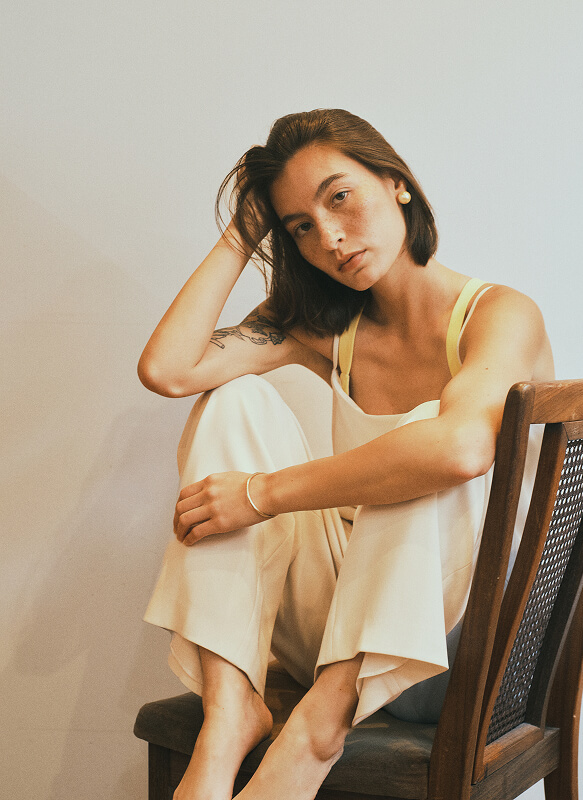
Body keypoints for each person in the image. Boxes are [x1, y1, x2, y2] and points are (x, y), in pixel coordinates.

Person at [138, 108, 554, 800]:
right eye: (299, 226)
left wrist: (261, 493)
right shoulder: (326, 327)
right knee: (234, 402)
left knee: (429, 432)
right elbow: (169, 371)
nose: (329, 237)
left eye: (339, 198)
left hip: (455, 657)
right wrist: (245, 231)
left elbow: (458, 449)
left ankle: (316, 734)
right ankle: (228, 711)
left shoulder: (500, 315)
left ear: (396, 184)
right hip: (336, 631)